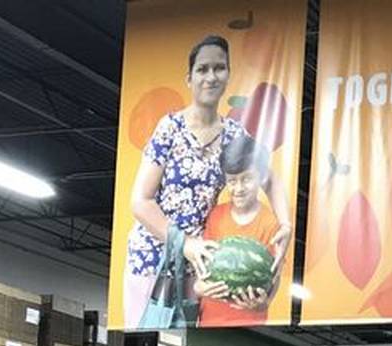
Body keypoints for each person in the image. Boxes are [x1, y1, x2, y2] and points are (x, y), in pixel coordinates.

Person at [124, 35, 289, 328]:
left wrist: (286, 224)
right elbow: (140, 201)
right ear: (189, 78)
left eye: (219, 68)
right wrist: (184, 243)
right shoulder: (170, 128)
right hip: (153, 257)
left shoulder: (234, 135)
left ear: (228, 75)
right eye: (202, 69)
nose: (211, 77)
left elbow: (271, 180)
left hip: (200, 265)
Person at [194, 133, 280, 325]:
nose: (239, 188)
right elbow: (205, 266)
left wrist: (263, 304)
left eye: (247, 179)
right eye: (232, 181)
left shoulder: (271, 223)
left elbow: (275, 275)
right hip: (210, 322)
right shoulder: (216, 215)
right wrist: (198, 288)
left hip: (249, 327)